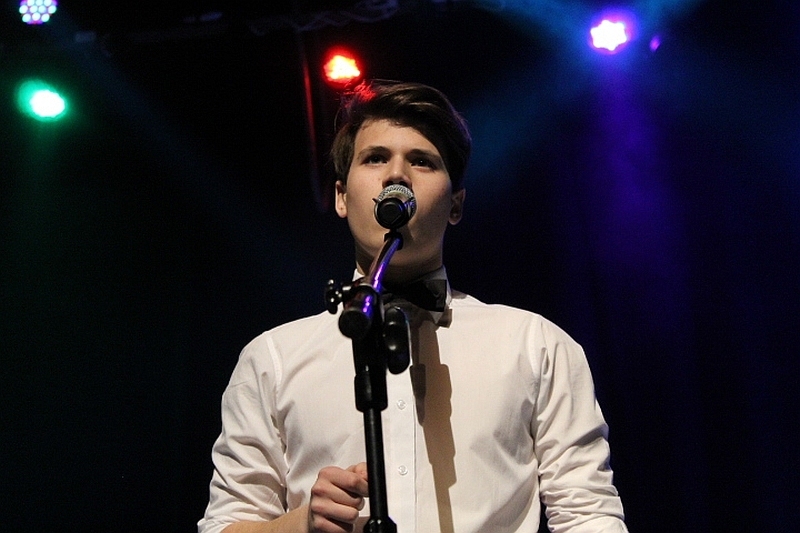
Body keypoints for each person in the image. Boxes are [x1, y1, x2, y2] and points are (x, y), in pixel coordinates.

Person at [198, 80, 628, 533]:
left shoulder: (535, 345)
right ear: (342, 197)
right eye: (375, 158)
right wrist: (303, 522)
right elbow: (225, 523)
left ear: (456, 204)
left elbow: (588, 515)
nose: (396, 175)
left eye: (421, 161)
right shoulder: (273, 358)